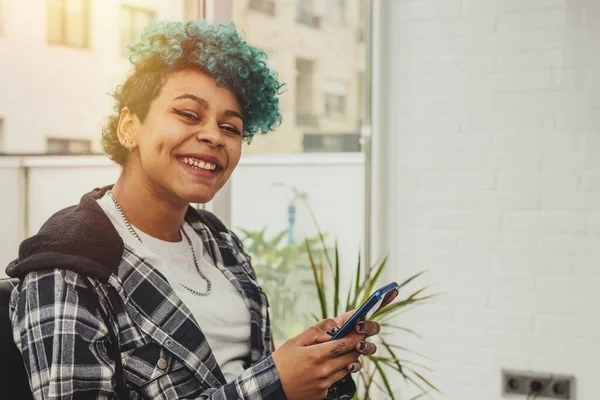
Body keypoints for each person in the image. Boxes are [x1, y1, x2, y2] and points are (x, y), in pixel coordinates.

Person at [6, 20, 390, 399]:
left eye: (231, 127)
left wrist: (310, 365)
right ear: (129, 126)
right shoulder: (69, 264)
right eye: (189, 115)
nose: (212, 135)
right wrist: (275, 385)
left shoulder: (218, 241)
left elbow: (237, 376)